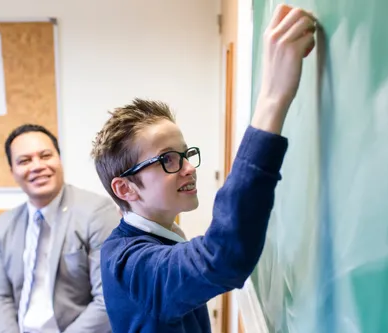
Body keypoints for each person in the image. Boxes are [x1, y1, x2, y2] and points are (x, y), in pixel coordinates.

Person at [90, 4, 316, 333]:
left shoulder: (161, 238)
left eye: (186, 154)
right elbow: (222, 256)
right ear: (125, 188)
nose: (188, 169)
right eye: (167, 159)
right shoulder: (129, 262)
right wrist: (271, 99)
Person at [0, 124, 119, 333]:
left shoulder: (96, 212)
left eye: (45, 155)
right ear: (12, 172)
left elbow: (108, 299)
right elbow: (1, 297)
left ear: (59, 159)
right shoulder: (5, 224)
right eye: (25, 161)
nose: (37, 166)